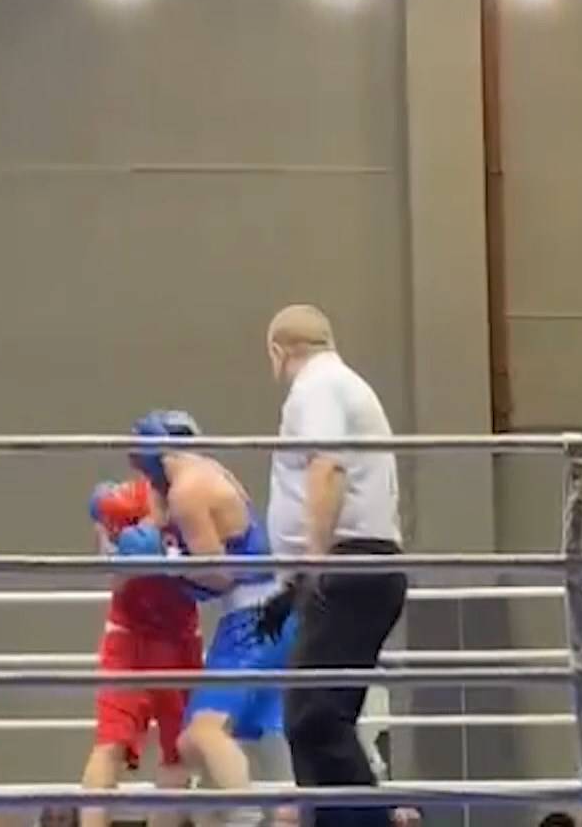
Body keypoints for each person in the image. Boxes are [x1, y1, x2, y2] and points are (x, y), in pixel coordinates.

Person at [254, 305, 405, 827]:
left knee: (314, 717)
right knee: (313, 719)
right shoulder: (343, 386)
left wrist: (313, 564)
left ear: (278, 352)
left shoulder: (316, 387)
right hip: (355, 567)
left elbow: (327, 467)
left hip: (349, 565)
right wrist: (297, 583)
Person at [112, 409, 297, 827]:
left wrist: (168, 564)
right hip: (268, 613)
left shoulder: (186, 492)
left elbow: (217, 573)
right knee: (237, 735)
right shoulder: (206, 471)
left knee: (203, 734)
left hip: (253, 619)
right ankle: (279, 815)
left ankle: (246, 817)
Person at [81, 476, 201, 827]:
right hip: (130, 642)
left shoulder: (194, 500)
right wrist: (131, 546)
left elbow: (215, 571)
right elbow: (113, 576)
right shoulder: (120, 499)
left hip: (178, 642)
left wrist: (171, 547)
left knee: (177, 752)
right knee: (110, 744)